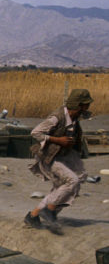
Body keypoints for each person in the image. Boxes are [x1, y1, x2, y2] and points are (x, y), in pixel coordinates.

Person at [25, 88, 93, 235]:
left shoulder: (76, 116)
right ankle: (49, 210)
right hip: (50, 157)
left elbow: (84, 117)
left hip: (64, 156)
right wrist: (57, 140)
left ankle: (34, 215)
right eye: (86, 104)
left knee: (74, 182)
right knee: (72, 181)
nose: (88, 107)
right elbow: (35, 132)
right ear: (79, 104)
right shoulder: (57, 117)